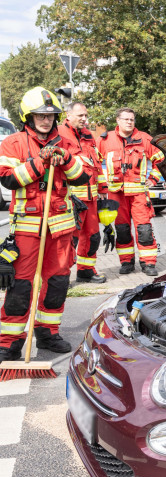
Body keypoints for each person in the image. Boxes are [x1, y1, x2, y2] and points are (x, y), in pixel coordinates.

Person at [0, 87, 91, 361]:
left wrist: (67, 160)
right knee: (21, 286)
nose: (45, 120)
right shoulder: (12, 143)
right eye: (39, 115)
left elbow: (84, 176)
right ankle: (9, 342)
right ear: (28, 117)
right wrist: (40, 163)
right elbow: (8, 179)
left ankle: (48, 334)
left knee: (57, 284)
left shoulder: (67, 142)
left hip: (61, 229)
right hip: (27, 229)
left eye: (50, 115)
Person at [98, 108, 164, 276]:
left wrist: (154, 178)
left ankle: (148, 263)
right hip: (116, 195)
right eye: (126, 119)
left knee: (144, 230)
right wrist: (101, 187)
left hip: (139, 194)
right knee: (122, 230)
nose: (129, 122)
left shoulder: (144, 139)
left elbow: (161, 160)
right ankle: (126, 262)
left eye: (132, 119)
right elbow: (94, 164)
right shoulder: (105, 140)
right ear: (118, 121)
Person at [58, 101, 107, 283]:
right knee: (70, 240)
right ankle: (62, 276)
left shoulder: (88, 134)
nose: (85, 119)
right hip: (71, 199)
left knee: (93, 236)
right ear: (68, 116)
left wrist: (102, 188)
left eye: (86, 115)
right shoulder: (58, 135)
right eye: (81, 116)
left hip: (91, 198)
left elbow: (97, 164)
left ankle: (86, 271)